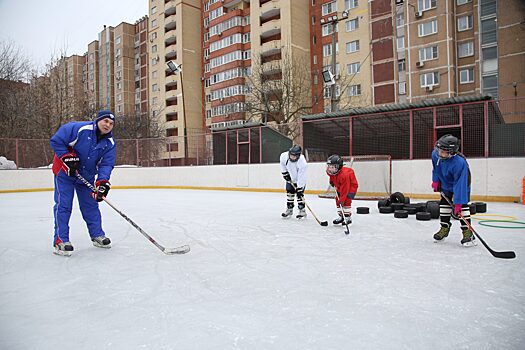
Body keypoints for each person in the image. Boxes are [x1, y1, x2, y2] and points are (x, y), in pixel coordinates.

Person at [50, 110, 117, 256]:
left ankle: (97, 235)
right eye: (105, 121)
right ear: (98, 120)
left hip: (86, 176)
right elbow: (56, 140)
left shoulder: (109, 143)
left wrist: (102, 182)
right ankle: (61, 240)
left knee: (91, 205)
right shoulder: (79, 129)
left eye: (111, 123)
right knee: (64, 205)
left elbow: (106, 164)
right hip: (65, 173)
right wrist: (66, 156)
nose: (108, 125)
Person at [431, 134, 475, 246]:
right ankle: (444, 229)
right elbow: (435, 169)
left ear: (452, 152)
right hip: (445, 182)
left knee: (462, 207)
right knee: (444, 204)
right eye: (439, 149)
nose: (439, 153)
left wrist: (458, 203)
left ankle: (468, 233)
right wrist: (435, 180)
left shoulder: (460, 163)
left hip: (461, 183)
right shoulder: (435, 155)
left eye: (443, 151)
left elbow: (460, 184)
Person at [326, 155, 358, 225]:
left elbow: (345, 189)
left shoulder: (344, 175)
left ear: (338, 167)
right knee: (338, 200)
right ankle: (341, 216)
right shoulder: (332, 172)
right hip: (340, 187)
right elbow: (332, 176)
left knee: (346, 202)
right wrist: (331, 181)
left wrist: (342, 200)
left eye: (332, 167)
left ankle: (347, 218)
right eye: (329, 166)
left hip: (350, 188)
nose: (330, 169)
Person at [279, 145, 308, 219]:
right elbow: (282, 164)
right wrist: (285, 173)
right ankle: (289, 209)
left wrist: (300, 187)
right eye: (291, 155)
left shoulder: (302, 162)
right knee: (289, 193)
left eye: (294, 156)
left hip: (299, 179)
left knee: (299, 195)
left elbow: (302, 176)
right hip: (290, 178)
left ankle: (302, 210)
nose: (292, 157)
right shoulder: (284, 156)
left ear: (298, 155)